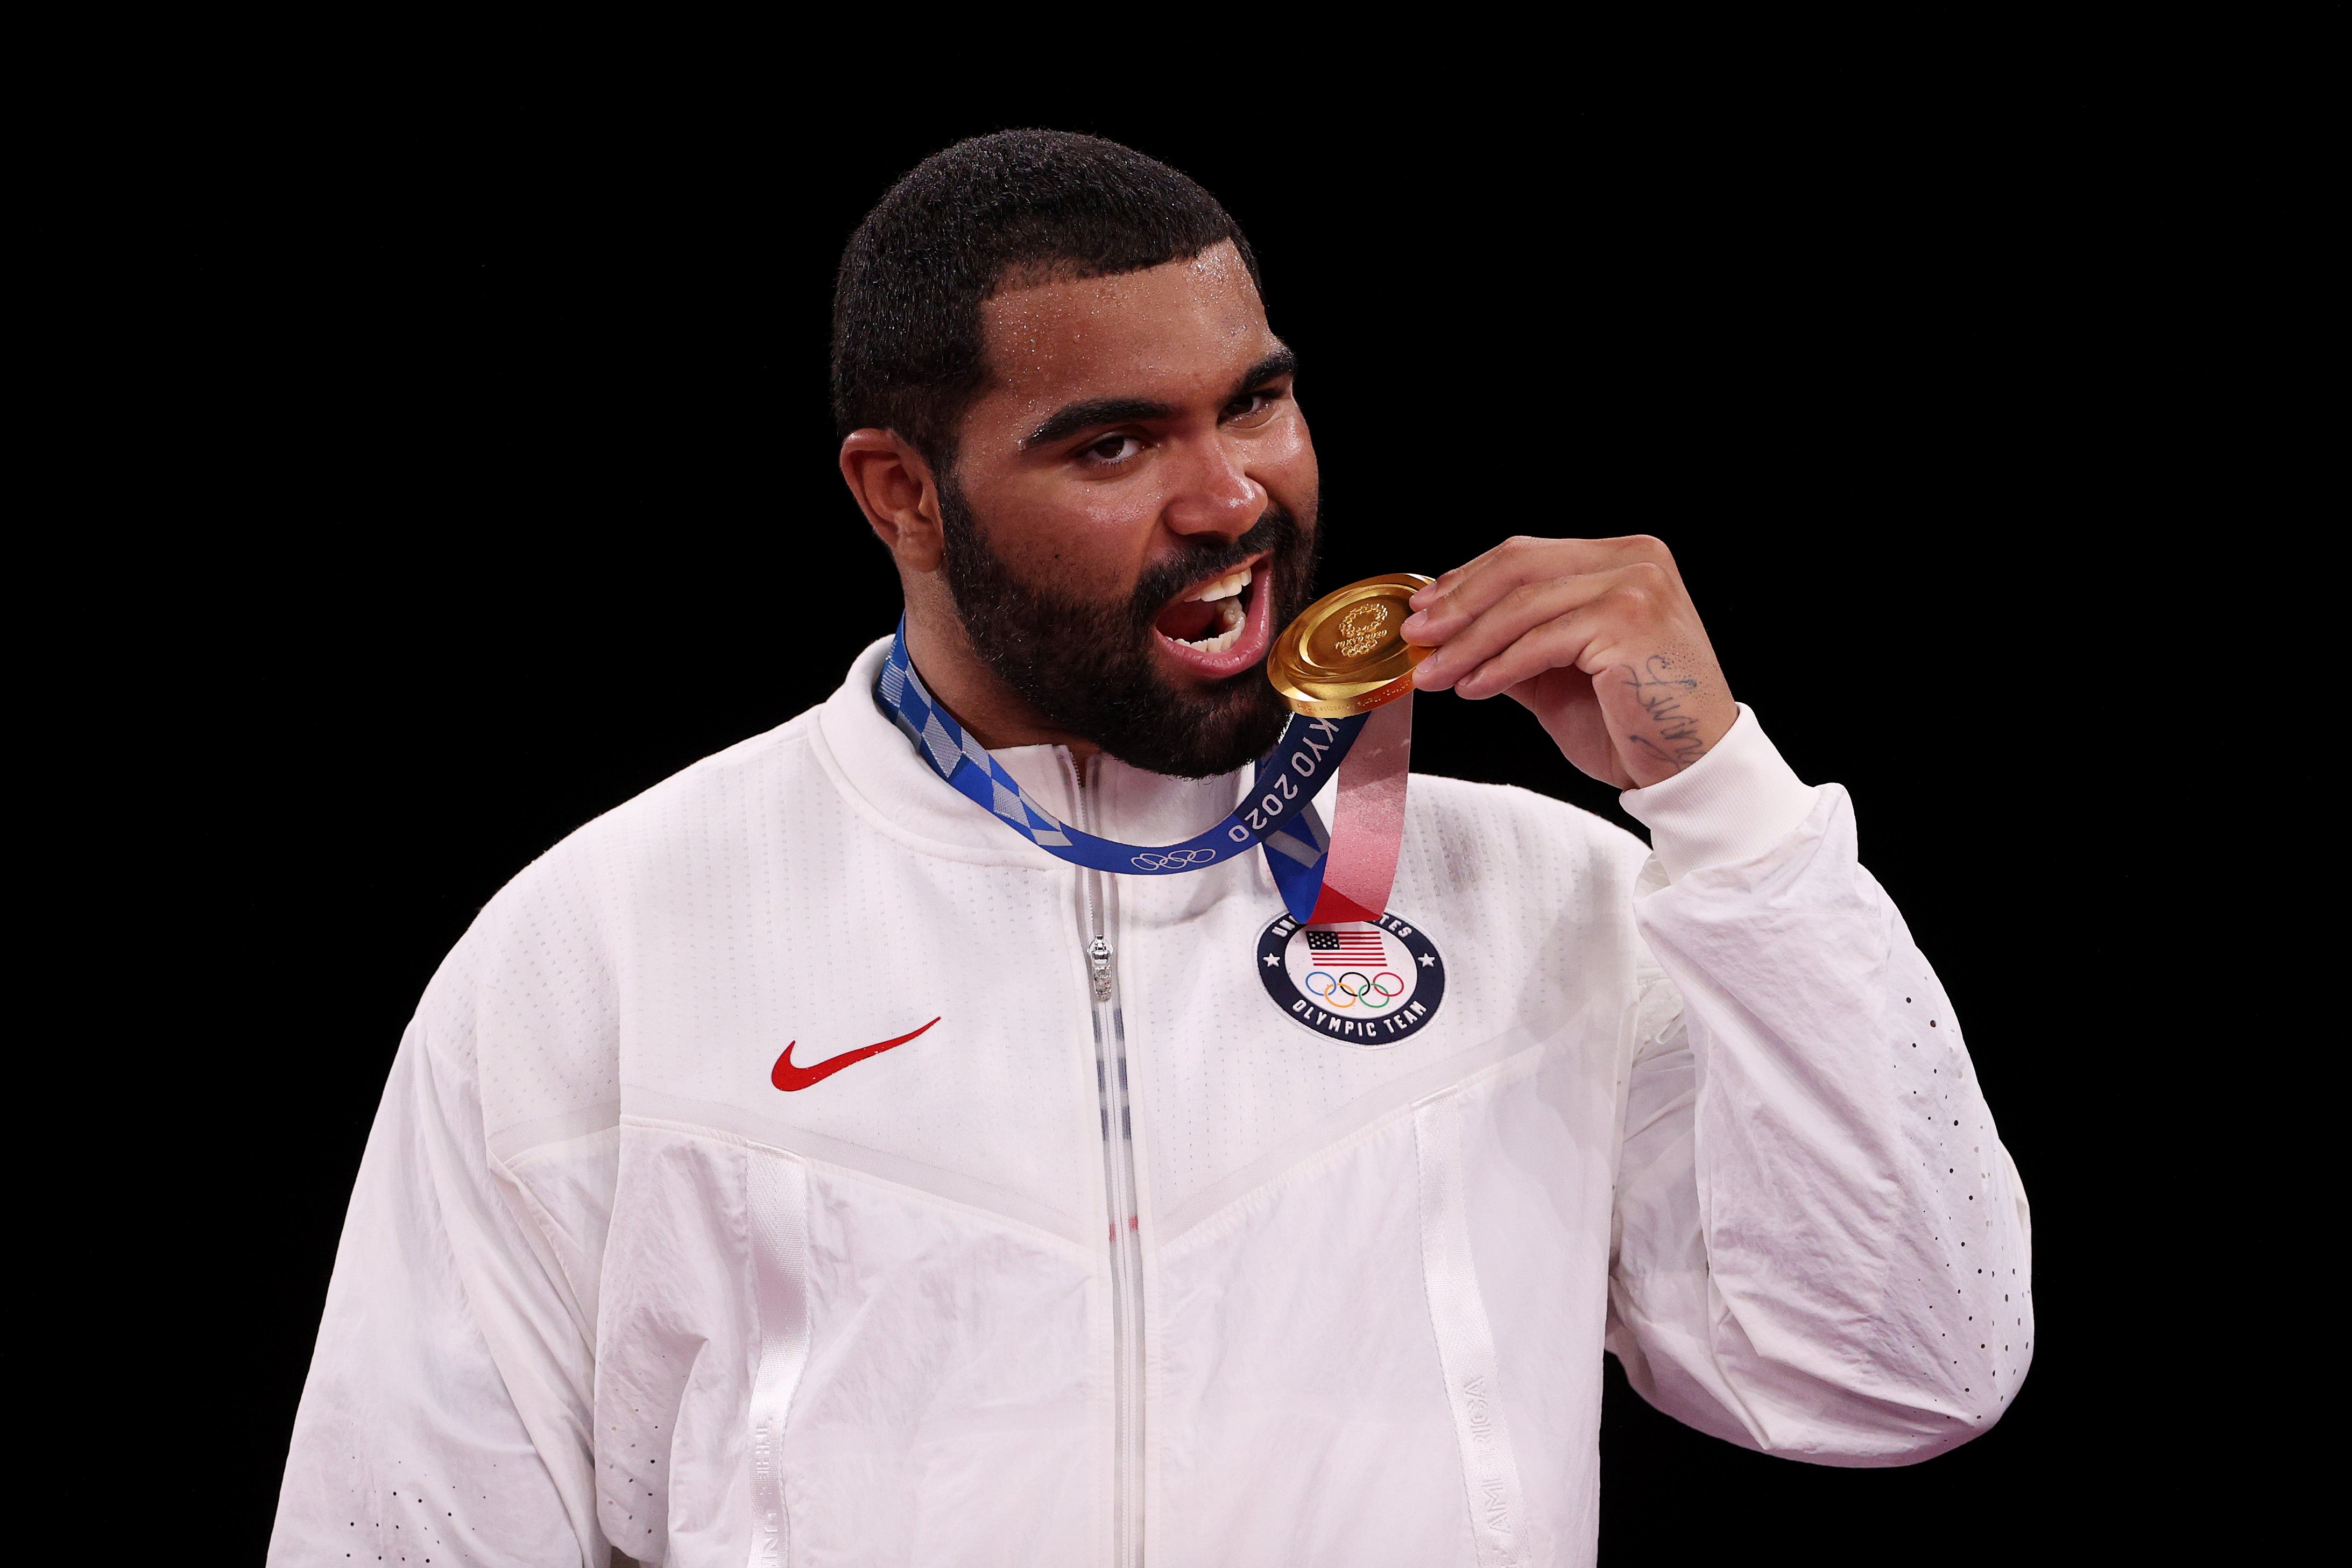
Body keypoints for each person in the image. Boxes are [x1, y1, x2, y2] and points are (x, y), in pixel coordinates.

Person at [272, 130, 2032, 1568]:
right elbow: (401, 1534)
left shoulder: (1543, 900)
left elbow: (1899, 1370)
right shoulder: (615, 942)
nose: (1230, 497)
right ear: (901, 494)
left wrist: (1716, 797)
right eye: (1114, 442)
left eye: (1253, 405)